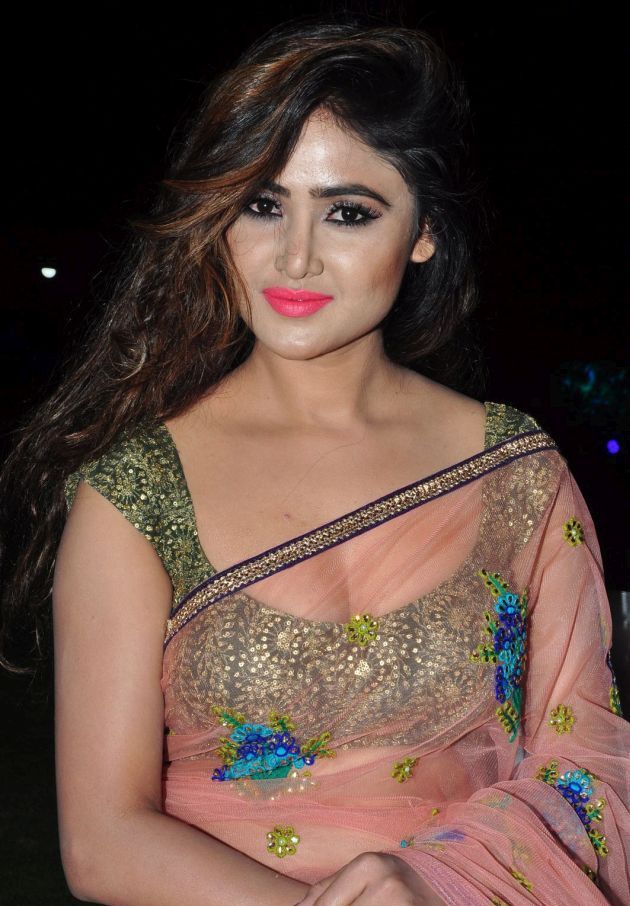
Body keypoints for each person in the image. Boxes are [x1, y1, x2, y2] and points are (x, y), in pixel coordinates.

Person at [1, 15, 628, 906]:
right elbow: (103, 840)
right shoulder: (139, 489)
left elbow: (589, 770)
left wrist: (431, 884)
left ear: (424, 231)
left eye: (347, 212)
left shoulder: (514, 473)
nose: (294, 256)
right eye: (263, 204)